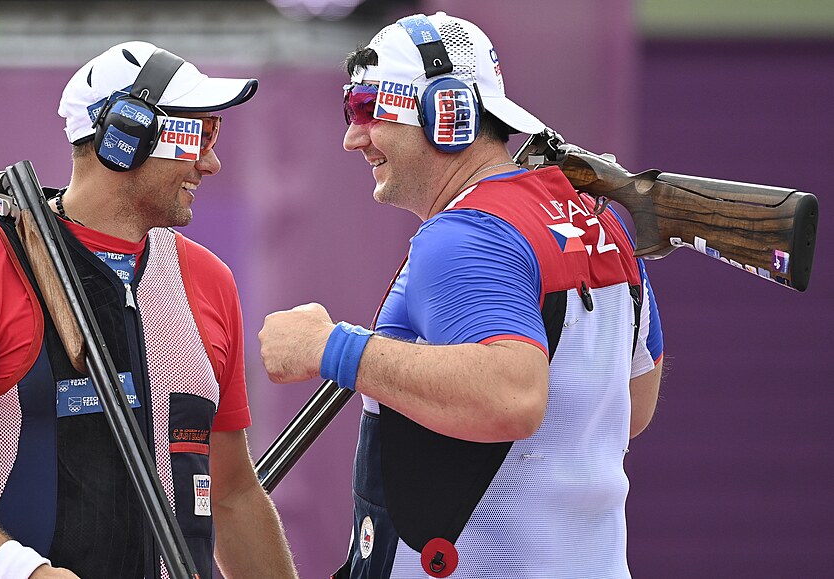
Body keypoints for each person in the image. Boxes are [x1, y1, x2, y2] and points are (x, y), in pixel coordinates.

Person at [258, 12, 664, 578]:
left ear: (446, 113)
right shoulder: (603, 224)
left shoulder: (464, 233)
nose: (353, 137)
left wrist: (331, 348)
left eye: (367, 109)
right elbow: (629, 409)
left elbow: (512, 397)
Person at [0, 41, 297, 579]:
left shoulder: (209, 279)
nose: (211, 162)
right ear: (126, 136)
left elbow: (233, 492)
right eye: (199, 135)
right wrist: (25, 574)